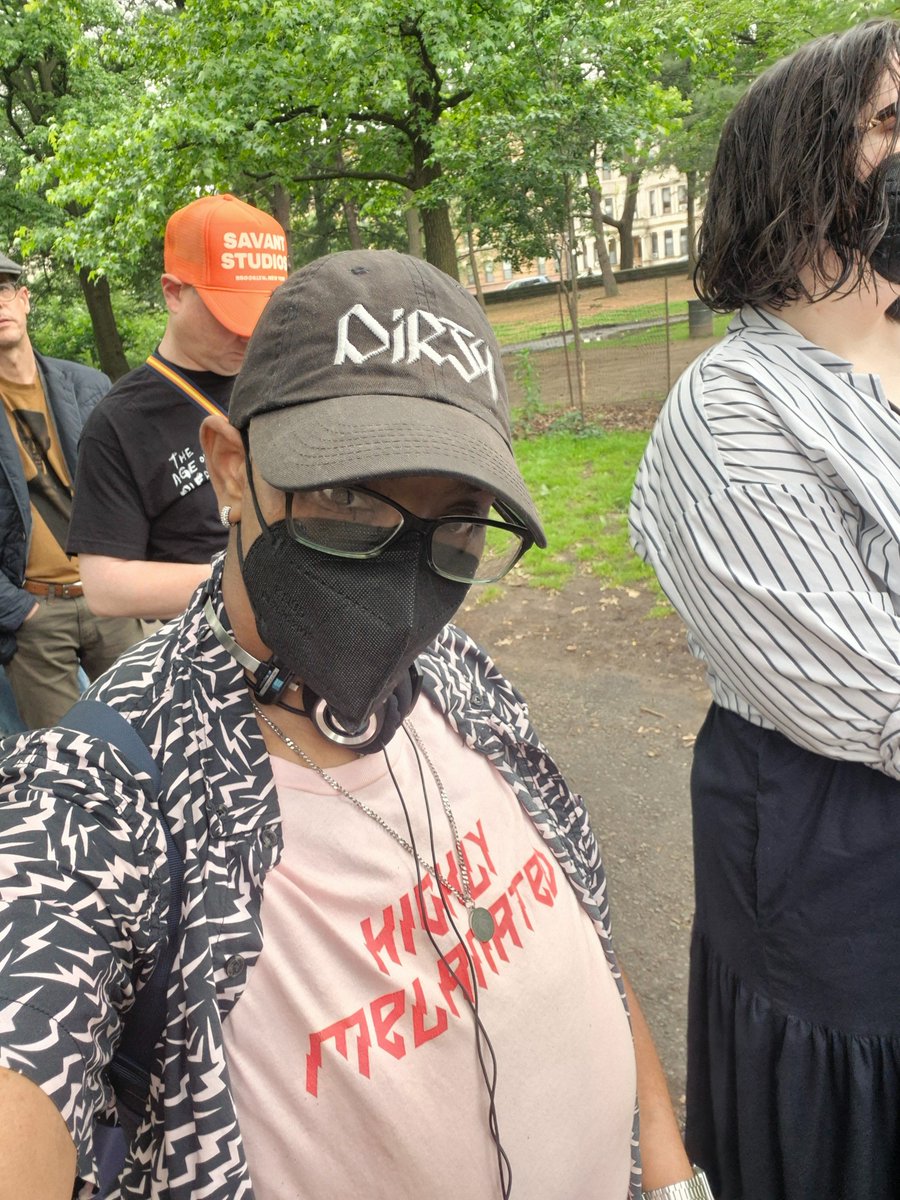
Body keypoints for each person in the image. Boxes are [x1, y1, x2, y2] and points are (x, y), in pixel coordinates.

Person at [0, 250, 709, 1200]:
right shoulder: (107, 795)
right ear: (232, 469)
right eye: (346, 499)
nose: (400, 580)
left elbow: (591, 939)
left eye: (459, 523)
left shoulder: (461, 677)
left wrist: (670, 1180)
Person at [629, 18, 900, 1200]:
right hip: (843, 876)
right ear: (795, 167)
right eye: (889, 123)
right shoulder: (733, 410)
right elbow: (878, 701)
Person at [66, 192, 288, 622]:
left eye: (264, 309)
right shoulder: (118, 422)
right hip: (210, 653)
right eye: (230, 315)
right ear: (173, 292)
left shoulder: (288, 377)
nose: (249, 335)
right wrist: (257, 577)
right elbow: (105, 587)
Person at [0, 250, 143, 730]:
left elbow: (134, 484)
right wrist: (18, 610)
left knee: (152, 735)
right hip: (36, 613)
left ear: (24, 299)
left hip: (111, 596)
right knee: (63, 767)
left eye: (2, 290)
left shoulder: (88, 386)